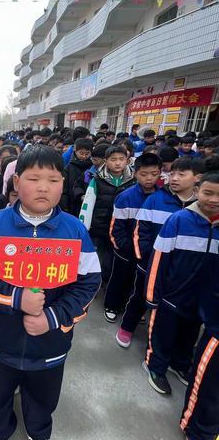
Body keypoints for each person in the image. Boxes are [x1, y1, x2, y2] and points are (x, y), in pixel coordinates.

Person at [0, 145, 101, 440]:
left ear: (63, 185)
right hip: (3, 340)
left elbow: (89, 282)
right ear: (16, 183)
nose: (43, 187)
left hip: (52, 342)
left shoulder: (74, 231)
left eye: (53, 180)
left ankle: (39, 433)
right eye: (33, 178)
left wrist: (53, 317)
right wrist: (17, 298)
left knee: (44, 397)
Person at [143, 171, 218, 398]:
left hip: (204, 299)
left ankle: (180, 363)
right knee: (163, 333)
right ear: (197, 191)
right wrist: (152, 294)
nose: (214, 199)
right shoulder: (179, 220)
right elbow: (158, 259)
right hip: (171, 294)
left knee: (190, 334)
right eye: (208, 193)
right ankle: (156, 367)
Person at [118, 157, 203, 348]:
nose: (174, 178)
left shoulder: (201, 205)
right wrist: (146, 258)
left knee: (172, 308)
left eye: (182, 174)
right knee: (140, 297)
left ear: (197, 178)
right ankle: (127, 327)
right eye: (172, 173)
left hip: (182, 270)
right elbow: (141, 231)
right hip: (150, 265)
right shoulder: (155, 200)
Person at [104, 153, 162, 327]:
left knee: (139, 284)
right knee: (120, 278)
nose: (149, 178)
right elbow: (116, 228)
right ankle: (112, 306)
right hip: (126, 250)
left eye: (154, 173)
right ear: (135, 173)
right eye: (144, 174)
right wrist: (125, 248)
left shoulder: (162, 198)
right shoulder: (126, 197)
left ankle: (134, 309)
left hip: (148, 253)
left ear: (160, 173)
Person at [79, 146, 136, 284]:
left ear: (127, 161)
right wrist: (83, 227)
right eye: (113, 159)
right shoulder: (97, 180)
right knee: (98, 257)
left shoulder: (133, 181)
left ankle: (109, 283)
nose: (118, 163)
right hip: (100, 226)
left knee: (116, 258)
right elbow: (88, 204)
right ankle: (94, 282)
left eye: (121, 159)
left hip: (122, 228)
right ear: (106, 161)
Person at [60, 138, 93, 216]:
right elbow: (64, 189)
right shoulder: (69, 167)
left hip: (87, 204)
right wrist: (65, 207)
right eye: (81, 153)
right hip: (72, 205)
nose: (84, 156)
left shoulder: (92, 167)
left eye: (87, 153)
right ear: (75, 150)